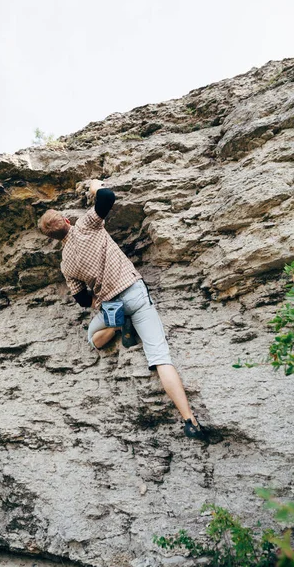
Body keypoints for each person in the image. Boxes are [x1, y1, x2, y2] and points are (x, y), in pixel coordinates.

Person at [38, 179, 207, 441]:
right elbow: (107, 197)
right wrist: (94, 185)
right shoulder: (85, 225)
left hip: (111, 305)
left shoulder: (66, 263)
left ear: (53, 239)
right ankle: (189, 420)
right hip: (134, 292)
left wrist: (94, 296)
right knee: (160, 357)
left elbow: (82, 299)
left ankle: (118, 325)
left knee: (93, 340)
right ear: (67, 222)